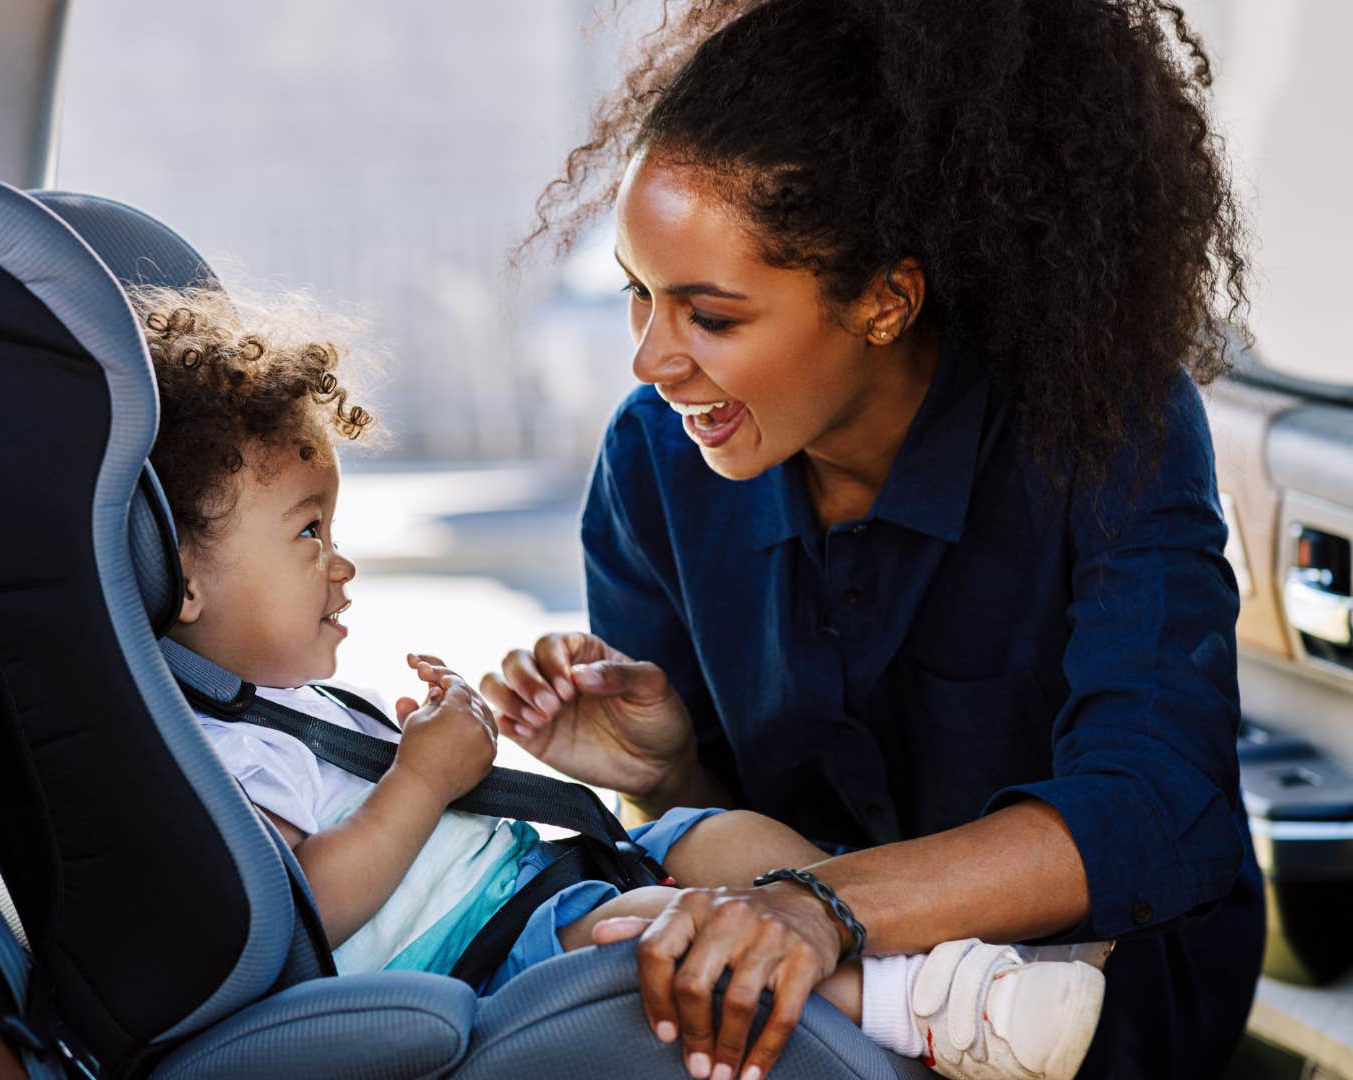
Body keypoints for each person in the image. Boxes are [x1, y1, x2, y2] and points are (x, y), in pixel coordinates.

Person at [485, 1, 1262, 1078]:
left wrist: (823, 907)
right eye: (637, 296)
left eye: (710, 316)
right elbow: (731, 851)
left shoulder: (1103, 422)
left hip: (1087, 1004)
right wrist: (668, 776)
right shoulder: (652, 464)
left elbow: (1159, 809)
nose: (652, 361)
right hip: (817, 992)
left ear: (886, 301)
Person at [135, 284, 1107, 1080]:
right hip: (482, 948)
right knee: (666, 928)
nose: (339, 564)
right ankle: (933, 1015)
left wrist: (437, 742)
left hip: (540, 882)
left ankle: (946, 965)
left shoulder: (287, 710)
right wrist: (421, 779)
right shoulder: (206, 754)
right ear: (177, 575)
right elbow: (304, 906)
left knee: (727, 841)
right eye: (308, 534)